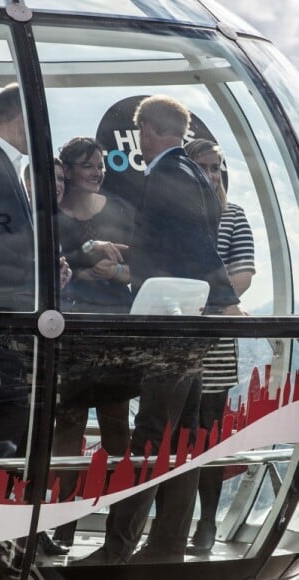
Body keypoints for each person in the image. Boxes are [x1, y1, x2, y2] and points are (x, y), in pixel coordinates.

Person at [74, 95, 243, 566]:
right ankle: (166, 546)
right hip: (187, 326)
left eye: (141, 132)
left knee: (150, 437)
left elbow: (195, 249)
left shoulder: (167, 174)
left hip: (168, 331)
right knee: (183, 440)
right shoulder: (192, 174)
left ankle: (115, 550)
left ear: (148, 128)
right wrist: (126, 253)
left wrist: (228, 300)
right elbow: (175, 248)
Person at [51, 137, 137, 552]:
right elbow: (50, 265)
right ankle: (61, 521)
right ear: (68, 169)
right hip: (68, 330)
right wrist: (83, 274)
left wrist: (115, 273)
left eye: (100, 165)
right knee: (67, 422)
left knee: (116, 423)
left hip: (114, 327)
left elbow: (141, 261)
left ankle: (119, 528)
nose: (97, 172)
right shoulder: (54, 215)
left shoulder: (120, 210)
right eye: (88, 165)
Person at [184, 138, 255, 554]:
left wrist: (201, 296)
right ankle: (169, 525)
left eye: (217, 167)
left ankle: (206, 524)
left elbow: (242, 277)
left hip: (213, 341)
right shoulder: (174, 219)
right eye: (203, 167)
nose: (211, 175)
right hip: (175, 340)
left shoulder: (233, 216)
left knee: (208, 431)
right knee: (175, 431)